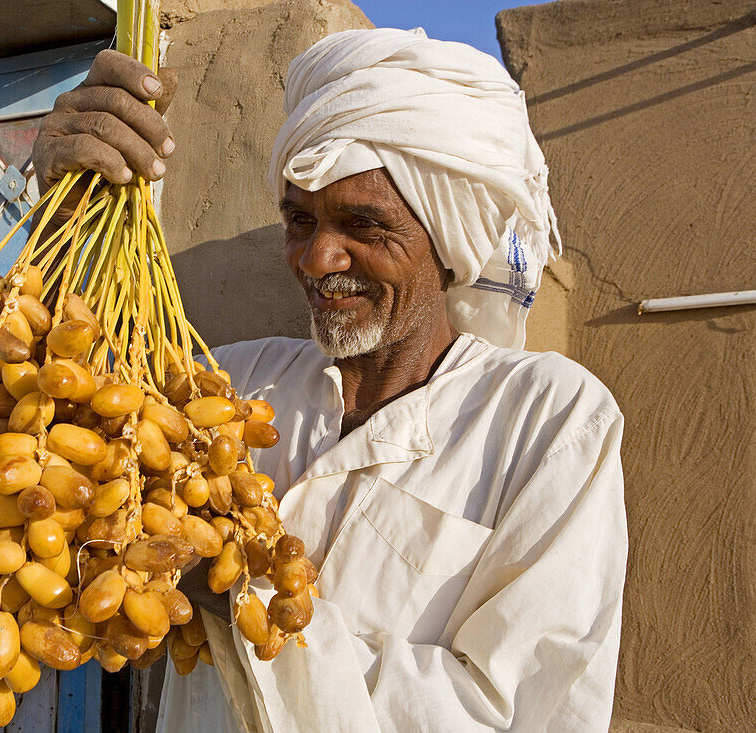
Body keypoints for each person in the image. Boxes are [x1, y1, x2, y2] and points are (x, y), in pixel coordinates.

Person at [33, 28, 626, 733]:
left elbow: (524, 708)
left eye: (362, 224)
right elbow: (63, 445)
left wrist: (235, 594)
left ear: (446, 240)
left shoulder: (550, 423)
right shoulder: (231, 382)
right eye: (300, 220)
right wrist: (67, 210)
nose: (317, 257)